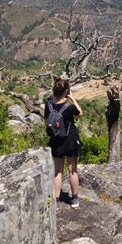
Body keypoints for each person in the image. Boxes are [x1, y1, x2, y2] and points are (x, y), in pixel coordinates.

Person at [45, 78, 83, 208]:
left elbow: (47, 118)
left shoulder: (48, 104)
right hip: (70, 138)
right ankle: (74, 199)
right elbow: (80, 114)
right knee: (73, 170)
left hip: (56, 139)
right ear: (66, 91)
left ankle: (55, 200)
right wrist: (72, 98)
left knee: (57, 171)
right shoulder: (69, 107)